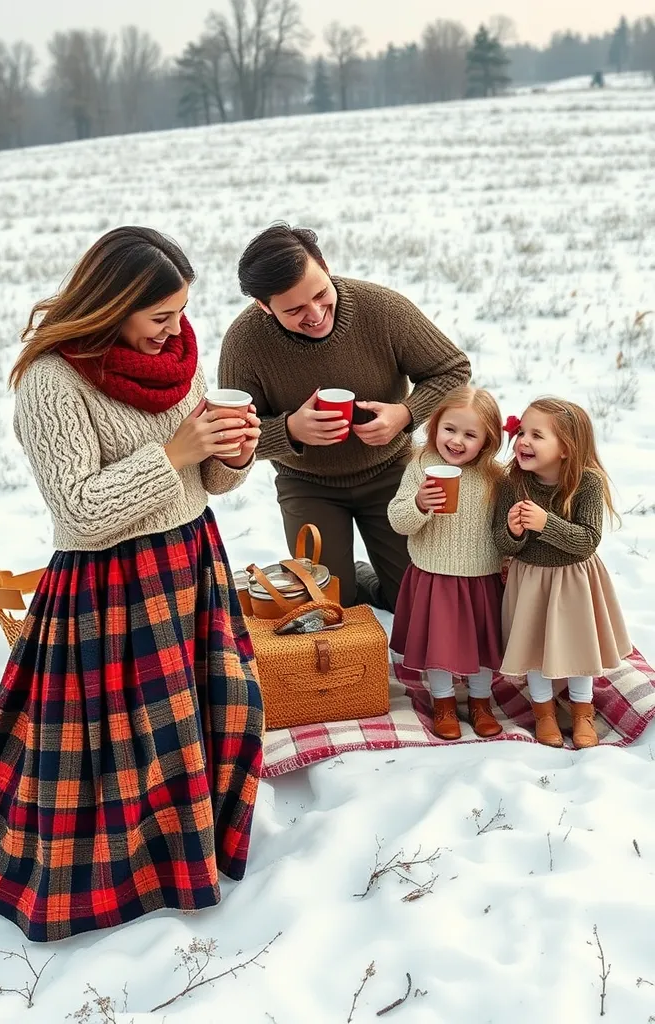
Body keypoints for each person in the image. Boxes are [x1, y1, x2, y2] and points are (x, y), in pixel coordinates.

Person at [0, 226, 264, 942]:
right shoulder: (50, 382)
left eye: (181, 312)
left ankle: (203, 839)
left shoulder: (179, 360)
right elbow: (78, 509)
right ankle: (137, 877)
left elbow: (205, 477)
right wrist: (174, 450)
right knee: (126, 751)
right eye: (159, 317)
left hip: (192, 562)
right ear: (113, 306)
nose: (174, 330)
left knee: (216, 714)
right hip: (110, 584)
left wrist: (232, 455)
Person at [218, 223, 471, 610]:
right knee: (331, 603)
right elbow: (235, 436)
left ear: (325, 265)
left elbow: (452, 369)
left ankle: (370, 577)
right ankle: (350, 579)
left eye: (321, 294)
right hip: (307, 484)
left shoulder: (383, 309)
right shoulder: (244, 343)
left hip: (392, 473)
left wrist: (405, 414)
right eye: (295, 309)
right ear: (264, 307)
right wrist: (289, 429)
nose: (316, 314)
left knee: (418, 602)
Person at [493, 398, 631, 749]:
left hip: (574, 581)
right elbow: (503, 543)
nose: (523, 440)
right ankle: (544, 711)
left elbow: (587, 540)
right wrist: (514, 533)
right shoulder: (513, 483)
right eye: (522, 431)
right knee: (536, 647)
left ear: (566, 448)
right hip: (532, 582)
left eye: (536, 435)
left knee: (578, 643)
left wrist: (546, 523)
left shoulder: (587, 483)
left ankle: (583, 711)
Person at [388, 387, 505, 740]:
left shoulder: (494, 477)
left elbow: (502, 528)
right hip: (434, 574)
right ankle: (444, 703)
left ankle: (481, 702)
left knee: (482, 644)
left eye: (470, 435)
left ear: (486, 441)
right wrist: (420, 504)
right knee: (440, 645)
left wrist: (510, 557)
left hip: (481, 577)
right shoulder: (420, 467)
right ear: (435, 426)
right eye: (449, 429)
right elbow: (398, 520)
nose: (457, 441)